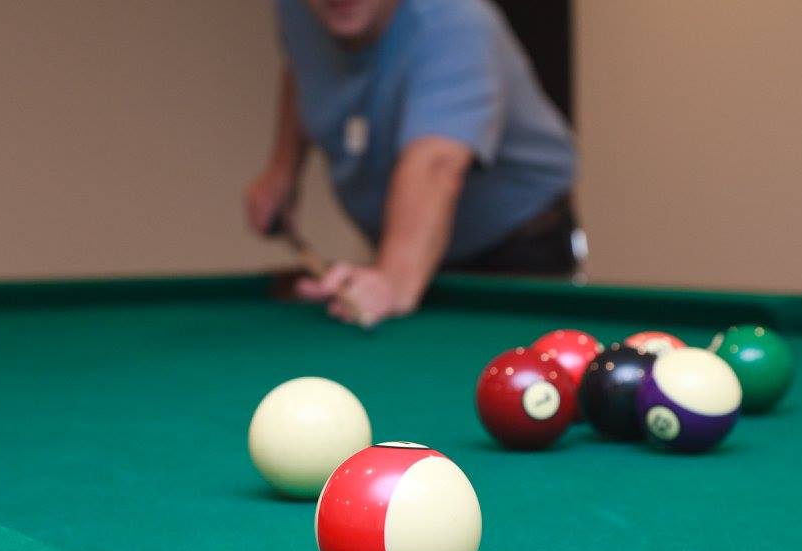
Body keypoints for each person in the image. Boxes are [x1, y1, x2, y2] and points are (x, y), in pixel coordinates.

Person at [245, 0, 579, 326]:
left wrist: (392, 278)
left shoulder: (456, 21)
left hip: (516, 250)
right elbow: (301, 67)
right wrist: (283, 169)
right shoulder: (298, 10)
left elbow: (437, 163)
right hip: (409, 248)